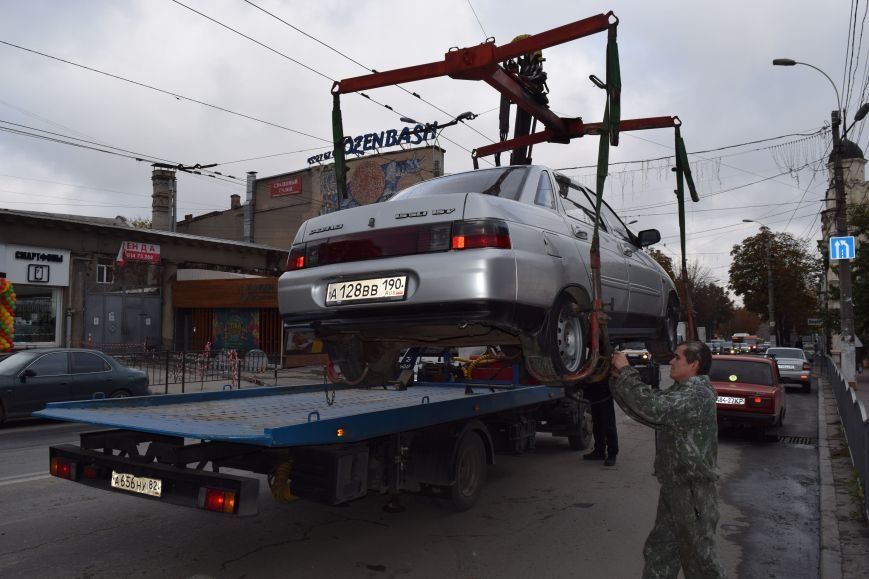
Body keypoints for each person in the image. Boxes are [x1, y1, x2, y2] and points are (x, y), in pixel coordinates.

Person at [609, 341, 726, 579]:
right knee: (660, 553)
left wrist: (626, 372)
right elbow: (646, 412)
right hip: (675, 488)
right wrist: (617, 381)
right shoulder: (680, 391)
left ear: (693, 364)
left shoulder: (697, 394)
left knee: (701, 563)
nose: (671, 362)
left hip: (693, 493)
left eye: (677, 358)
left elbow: (655, 408)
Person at [582, 376, 619, 466]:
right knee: (597, 422)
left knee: (608, 422)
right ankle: (599, 451)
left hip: (604, 388)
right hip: (593, 387)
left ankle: (612, 454)